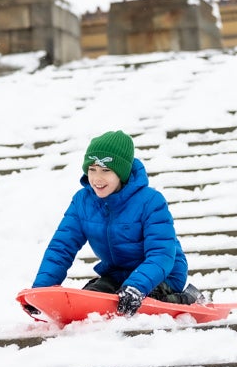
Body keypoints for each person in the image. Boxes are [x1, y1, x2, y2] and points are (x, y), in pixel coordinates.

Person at [32, 130, 203, 315]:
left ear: (121, 173)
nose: (97, 178)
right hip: (117, 274)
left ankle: (187, 299)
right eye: (92, 169)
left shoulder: (151, 202)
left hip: (163, 274)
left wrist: (136, 287)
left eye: (106, 170)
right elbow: (62, 246)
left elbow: (162, 253)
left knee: (143, 304)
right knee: (92, 300)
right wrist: (41, 290)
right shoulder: (83, 202)